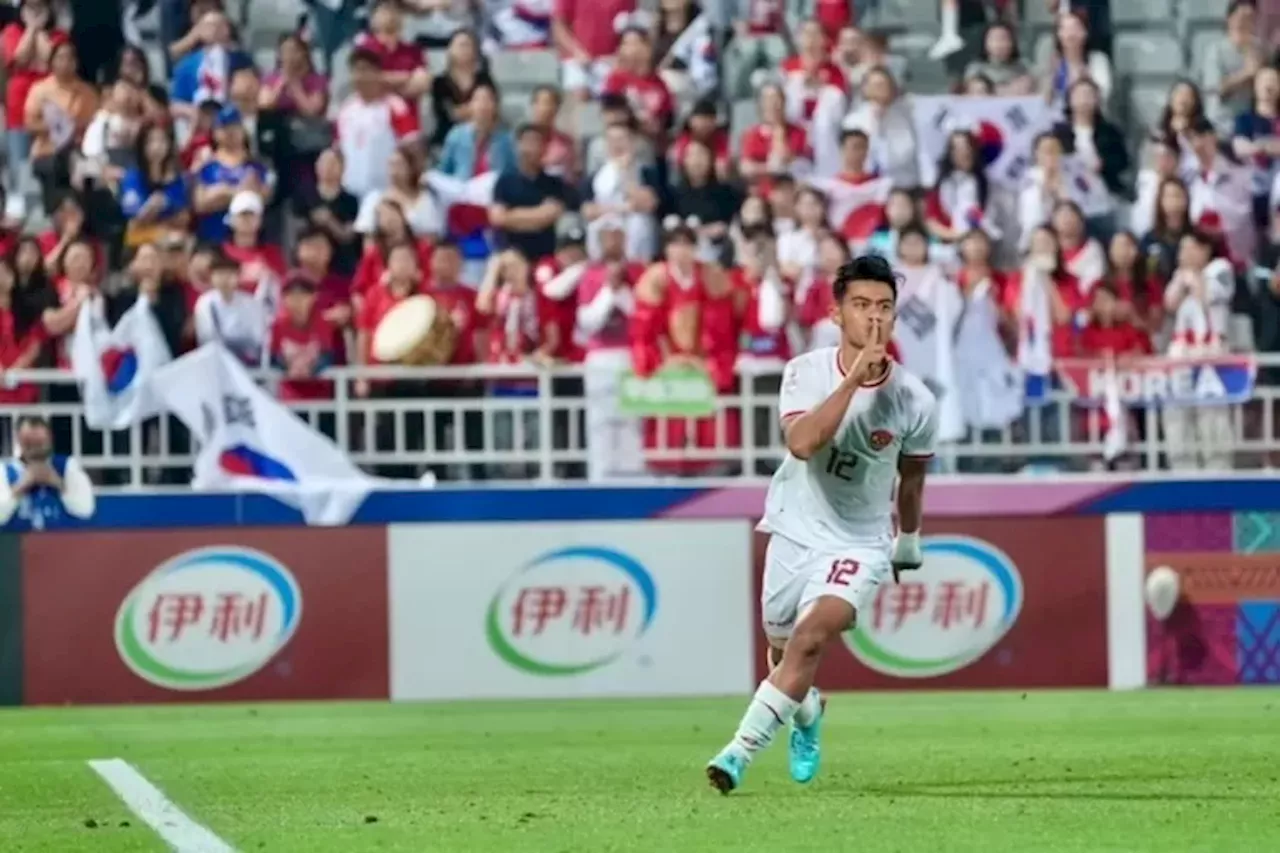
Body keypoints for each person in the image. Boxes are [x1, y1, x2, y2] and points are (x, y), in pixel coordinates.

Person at [704, 254, 937, 794]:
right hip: (796, 526)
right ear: (837, 315)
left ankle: (737, 753)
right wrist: (853, 380)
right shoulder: (803, 372)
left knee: (810, 641)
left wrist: (909, 537)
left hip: (858, 542)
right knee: (783, 654)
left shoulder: (916, 400)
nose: (874, 318)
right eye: (861, 306)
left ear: (895, 318)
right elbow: (803, 444)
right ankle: (808, 713)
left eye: (884, 307)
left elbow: (912, 479)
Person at [0, 414, 95, 530]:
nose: (35, 448)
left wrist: (59, 484)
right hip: (16, 542)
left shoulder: (67, 466)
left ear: (50, 439)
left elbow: (86, 509)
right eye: (29, 443)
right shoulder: (4, 471)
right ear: (19, 441)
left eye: (40, 443)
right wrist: (20, 487)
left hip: (61, 541)